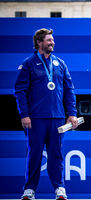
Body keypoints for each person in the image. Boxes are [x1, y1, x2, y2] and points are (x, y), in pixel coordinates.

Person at [14, 28, 78, 200]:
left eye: (52, 40)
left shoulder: (60, 63)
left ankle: (59, 189)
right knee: (34, 153)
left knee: (56, 154)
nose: (52, 42)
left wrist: (72, 113)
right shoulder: (28, 64)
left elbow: (69, 91)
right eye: (49, 40)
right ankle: (29, 190)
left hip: (57, 118)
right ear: (39, 43)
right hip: (35, 119)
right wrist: (24, 114)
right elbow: (20, 91)